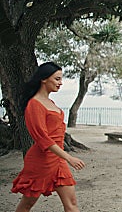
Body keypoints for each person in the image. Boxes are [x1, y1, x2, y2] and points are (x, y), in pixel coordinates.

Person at [11, 62, 85, 212]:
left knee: (72, 204)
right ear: (44, 79)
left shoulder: (50, 102)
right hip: (41, 161)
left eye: (61, 79)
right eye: (57, 79)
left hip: (58, 161)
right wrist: (69, 158)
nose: (61, 83)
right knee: (27, 204)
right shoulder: (34, 104)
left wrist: (63, 158)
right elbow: (43, 138)